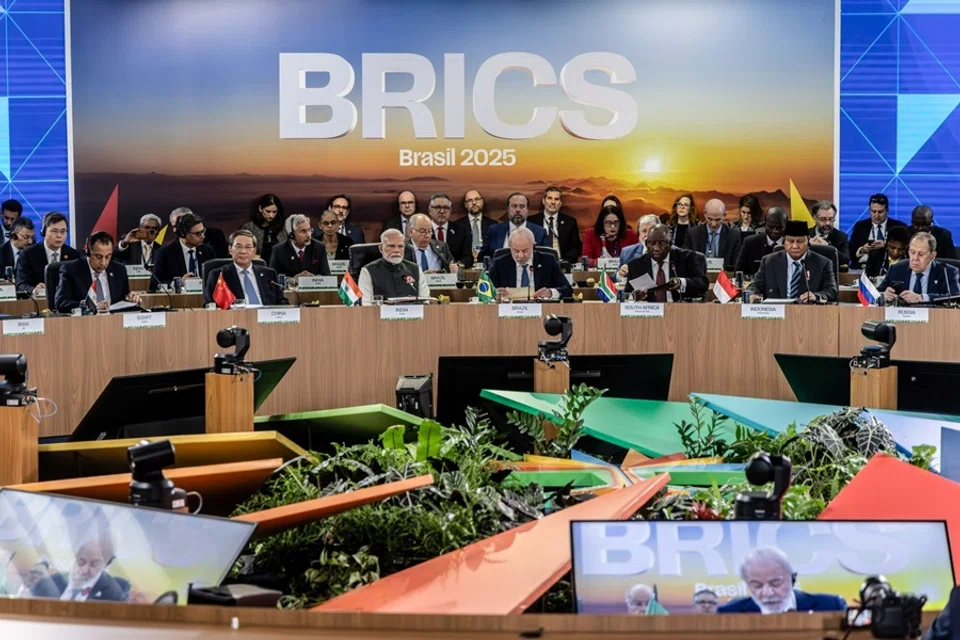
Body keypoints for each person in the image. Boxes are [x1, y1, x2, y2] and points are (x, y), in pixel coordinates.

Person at [718, 547, 845, 614]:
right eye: (757, 585)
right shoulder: (727, 613)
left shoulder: (831, 606)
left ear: (793, 578)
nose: (767, 593)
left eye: (775, 583)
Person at [747, 220, 838, 303]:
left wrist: (816, 296)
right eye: (790, 241)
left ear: (808, 240)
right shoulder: (769, 261)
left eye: (800, 241)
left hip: (808, 314)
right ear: (784, 241)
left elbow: (831, 290)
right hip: (776, 314)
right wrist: (752, 294)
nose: (794, 246)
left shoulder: (823, 263)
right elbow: (755, 286)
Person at [54, 231, 141, 312]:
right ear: (88, 252)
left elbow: (123, 299)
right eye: (98, 257)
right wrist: (88, 305)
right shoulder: (71, 270)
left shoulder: (119, 270)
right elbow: (61, 303)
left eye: (107, 257)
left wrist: (130, 299)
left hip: (113, 322)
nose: (103, 263)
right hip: (84, 323)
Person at [624, 224, 708, 301]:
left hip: (680, 311)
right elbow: (627, 294)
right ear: (646, 244)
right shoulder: (635, 266)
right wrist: (635, 296)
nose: (656, 248)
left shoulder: (686, 258)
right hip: (649, 313)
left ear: (670, 244)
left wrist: (681, 282)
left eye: (662, 243)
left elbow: (703, 283)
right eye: (652, 243)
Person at [31, 538, 130, 602]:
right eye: (81, 562)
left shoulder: (119, 588)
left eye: (94, 564)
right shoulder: (48, 583)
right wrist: (71, 589)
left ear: (106, 564)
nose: (85, 569)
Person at [203, 230, 286, 306]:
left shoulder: (269, 274)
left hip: (265, 319)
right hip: (234, 319)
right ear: (230, 249)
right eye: (238, 247)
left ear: (254, 251)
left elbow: (281, 301)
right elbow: (210, 304)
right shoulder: (219, 275)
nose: (243, 251)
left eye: (248, 247)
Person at [488, 227, 572, 300]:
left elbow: (568, 289)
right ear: (510, 247)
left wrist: (551, 293)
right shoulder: (499, 264)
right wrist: (494, 294)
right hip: (508, 311)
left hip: (541, 310)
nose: (520, 256)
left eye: (525, 251)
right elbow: (483, 292)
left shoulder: (548, 261)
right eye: (516, 251)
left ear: (533, 245)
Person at [878, 231, 960, 304]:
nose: (915, 258)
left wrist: (921, 298)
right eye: (912, 252)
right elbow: (875, 293)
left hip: (934, 318)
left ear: (932, 255)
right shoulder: (896, 269)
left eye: (921, 254)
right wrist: (883, 295)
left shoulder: (947, 272)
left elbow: (955, 297)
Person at [15, 212, 81, 296]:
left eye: (63, 231)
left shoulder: (74, 255)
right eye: (54, 231)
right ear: (44, 232)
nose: (59, 235)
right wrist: (34, 290)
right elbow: (21, 285)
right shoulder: (28, 254)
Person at [358, 228, 429, 303]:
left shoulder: (416, 269)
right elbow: (366, 305)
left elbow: (426, 301)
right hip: (380, 314)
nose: (396, 250)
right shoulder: (368, 271)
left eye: (400, 246)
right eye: (391, 246)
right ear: (381, 248)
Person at [150, 212, 216, 290]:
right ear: (183, 234)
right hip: (178, 300)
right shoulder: (165, 253)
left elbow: (216, 279)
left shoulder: (208, 251)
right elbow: (154, 283)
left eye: (203, 231)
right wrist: (178, 282)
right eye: (198, 233)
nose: (203, 236)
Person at [478, 193, 548, 260]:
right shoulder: (494, 230)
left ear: (527, 209)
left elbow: (547, 259)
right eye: (514, 206)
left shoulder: (540, 232)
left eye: (522, 206)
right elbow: (483, 257)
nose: (518, 210)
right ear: (508, 209)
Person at [683, 199, 742, 271]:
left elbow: (736, 265)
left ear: (724, 215)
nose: (713, 224)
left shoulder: (734, 235)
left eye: (718, 220)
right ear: (704, 213)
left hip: (724, 279)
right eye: (710, 219)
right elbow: (685, 262)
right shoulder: (692, 234)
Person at [528, 186, 582, 264]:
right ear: (543, 201)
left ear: (560, 203)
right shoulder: (531, 221)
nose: (553, 202)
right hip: (538, 264)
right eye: (549, 198)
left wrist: (565, 262)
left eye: (556, 199)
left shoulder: (570, 222)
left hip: (561, 264)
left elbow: (575, 248)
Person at [850, 193, 906, 267]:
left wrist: (886, 246)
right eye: (873, 211)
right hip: (863, 266)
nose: (876, 215)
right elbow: (850, 251)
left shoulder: (899, 227)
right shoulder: (860, 226)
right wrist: (862, 250)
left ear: (887, 210)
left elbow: (904, 252)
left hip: (891, 266)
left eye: (880, 212)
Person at [268, 213, 331, 278]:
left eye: (309, 230)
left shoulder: (319, 247)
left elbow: (326, 275)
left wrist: (314, 279)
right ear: (292, 234)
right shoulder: (279, 250)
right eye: (303, 231)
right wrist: (292, 280)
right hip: (289, 288)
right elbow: (272, 277)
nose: (308, 235)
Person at [449, 189, 495, 266]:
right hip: (464, 266)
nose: (474, 203)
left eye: (477, 199)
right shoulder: (456, 226)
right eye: (470, 201)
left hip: (487, 265)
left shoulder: (493, 225)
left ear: (482, 202)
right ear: (465, 205)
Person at [736, 207, 787, 276]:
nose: (775, 231)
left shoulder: (793, 244)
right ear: (764, 224)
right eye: (771, 227)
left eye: (780, 227)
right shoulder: (750, 242)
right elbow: (739, 272)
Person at [240, 194, 288, 263]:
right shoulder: (249, 227)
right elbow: (241, 249)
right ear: (260, 209)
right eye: (268, 211)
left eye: (274, 212)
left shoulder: (284, 226)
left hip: (281, 266)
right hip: (257, 266)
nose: (271, 215)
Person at [808, 201, 851, 266]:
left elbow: (845, 260)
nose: (827, 223)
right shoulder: (805, 235)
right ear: (814, 217)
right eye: (823, 219)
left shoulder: (841, 237)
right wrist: (808, 247)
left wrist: (828, 247)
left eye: (831, 219)